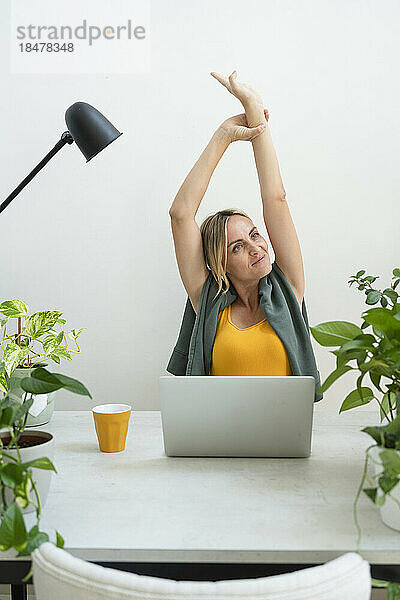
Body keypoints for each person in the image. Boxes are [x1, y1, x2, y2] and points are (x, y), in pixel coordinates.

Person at [167, 70, 322, 400]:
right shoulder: (207, 300)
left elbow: (275, 198)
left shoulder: (288, 289)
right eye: (238, 246)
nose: (256, 248)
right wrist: (224, 135)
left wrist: (254, 111)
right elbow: (181, 215)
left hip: (282, 438)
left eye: (254, 235)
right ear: (220, 264)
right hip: (220, 440)